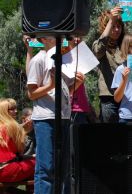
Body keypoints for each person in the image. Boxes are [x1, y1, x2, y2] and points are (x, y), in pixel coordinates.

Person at [26, 36, 84, 194]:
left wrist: (76, 84)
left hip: (63, 117)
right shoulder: (39, 60)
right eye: (55, 35)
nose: (61, 38)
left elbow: (64, 92)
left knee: (63, 167)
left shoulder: (64, 60)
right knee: (46, 167)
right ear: (43, 38)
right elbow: (31, 94)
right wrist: (51, 85)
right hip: (45, 118)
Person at [0, 99, 35, 184]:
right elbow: (20, 150)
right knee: (40, 163)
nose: (16, 111)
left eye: (16, 108)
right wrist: (26, 131)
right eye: (12, 109)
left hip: (2, 169)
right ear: (4, 111)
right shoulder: (12, 125)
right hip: (8, 170)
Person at [66, 36, 97, 124]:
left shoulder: (79, 53)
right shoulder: (58, 55)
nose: (76, 38)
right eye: (70, 37)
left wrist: (80, 44)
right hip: (66, 109)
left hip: (80, 108)